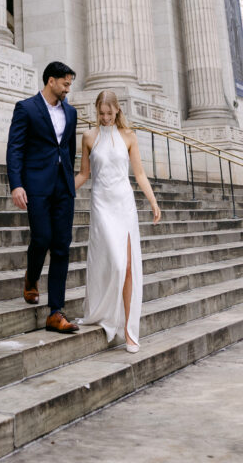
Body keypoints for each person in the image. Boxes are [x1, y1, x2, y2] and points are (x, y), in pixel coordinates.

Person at [76, 90, 161, 352]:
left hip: (124, 204)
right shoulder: (89, 137)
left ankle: (129, 329)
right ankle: (105, 313)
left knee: (127, 268)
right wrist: (61, 192)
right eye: (101, 113)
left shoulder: (129, 137)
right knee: (114, 263)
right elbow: (83, 174)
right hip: (101, 205)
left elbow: (140, 174)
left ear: (117, 111)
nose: (105, 118)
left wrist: (153, 201)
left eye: (109, 114)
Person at [6, 61, 80, 333]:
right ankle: (31, 278)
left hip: (63, 188)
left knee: (62, 245)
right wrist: (17, 185)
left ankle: (56, 311)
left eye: (69, 84)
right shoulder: (26, 108)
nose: (67, 88)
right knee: (42, 238)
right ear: (51, 81)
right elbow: (15, 148)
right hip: (35, 186)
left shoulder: (70, 113)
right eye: (65, 83)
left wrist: (69, 181)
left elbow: (69, 151)